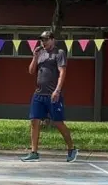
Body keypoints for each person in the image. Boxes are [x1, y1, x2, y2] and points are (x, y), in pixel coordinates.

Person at [21, 30, 78, 162]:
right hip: (39, 93)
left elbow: (62, 72)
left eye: (46, 39)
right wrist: (34, 57)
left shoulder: (59, 53)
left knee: (58, 123)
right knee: (34, 121)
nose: (43, 42)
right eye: (42, 40)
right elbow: (31, 71)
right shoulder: (40, 53)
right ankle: (34, 152)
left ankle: (71, 148)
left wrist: (57, 90)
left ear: (53, 40)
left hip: (53, 94)